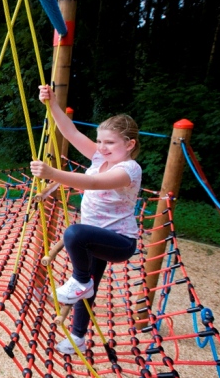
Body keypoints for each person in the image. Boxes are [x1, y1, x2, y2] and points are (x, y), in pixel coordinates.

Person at [30, 84, 142, 355]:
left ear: (129, 145)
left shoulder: (129, 169)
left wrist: (53, 173)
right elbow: (71, 131)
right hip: (96, 238)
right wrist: (53, 103)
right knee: (87, 288)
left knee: (74, 234)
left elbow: (92, 184)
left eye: (110, 143)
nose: (102, 147)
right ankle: (77, 337)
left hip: (119, 241)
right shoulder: (97, 156)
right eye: (100, 141)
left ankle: (80, 281)